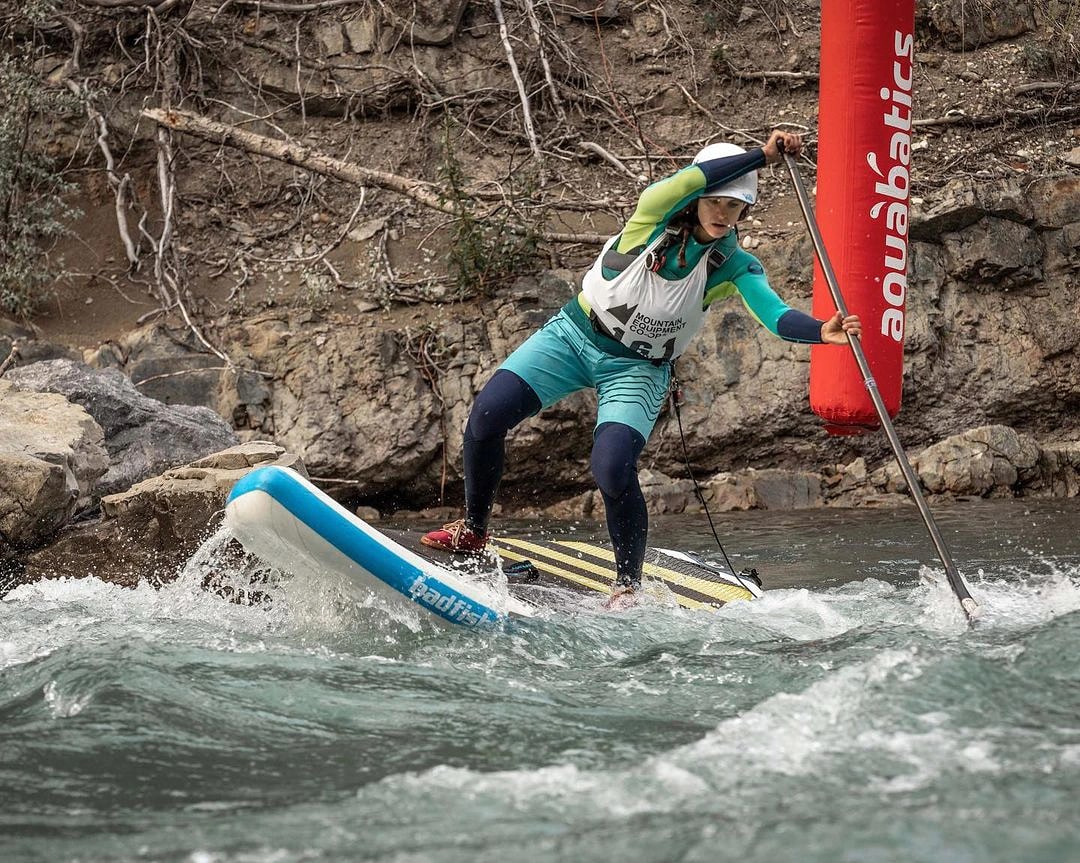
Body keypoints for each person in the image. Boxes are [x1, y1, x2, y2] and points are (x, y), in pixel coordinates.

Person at [422, 130, 861, 603]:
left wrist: (821, 331)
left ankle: (627, 585)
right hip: (573, 336)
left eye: (733, 208)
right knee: (487, 416)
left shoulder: (732, 265)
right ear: (694, 199)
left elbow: (774, 314)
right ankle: (473, 528)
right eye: (714, 202)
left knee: (611, 467)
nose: (721, 214)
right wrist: (763, 156)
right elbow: (685, 181)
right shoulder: (650, 215)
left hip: (637, 369)